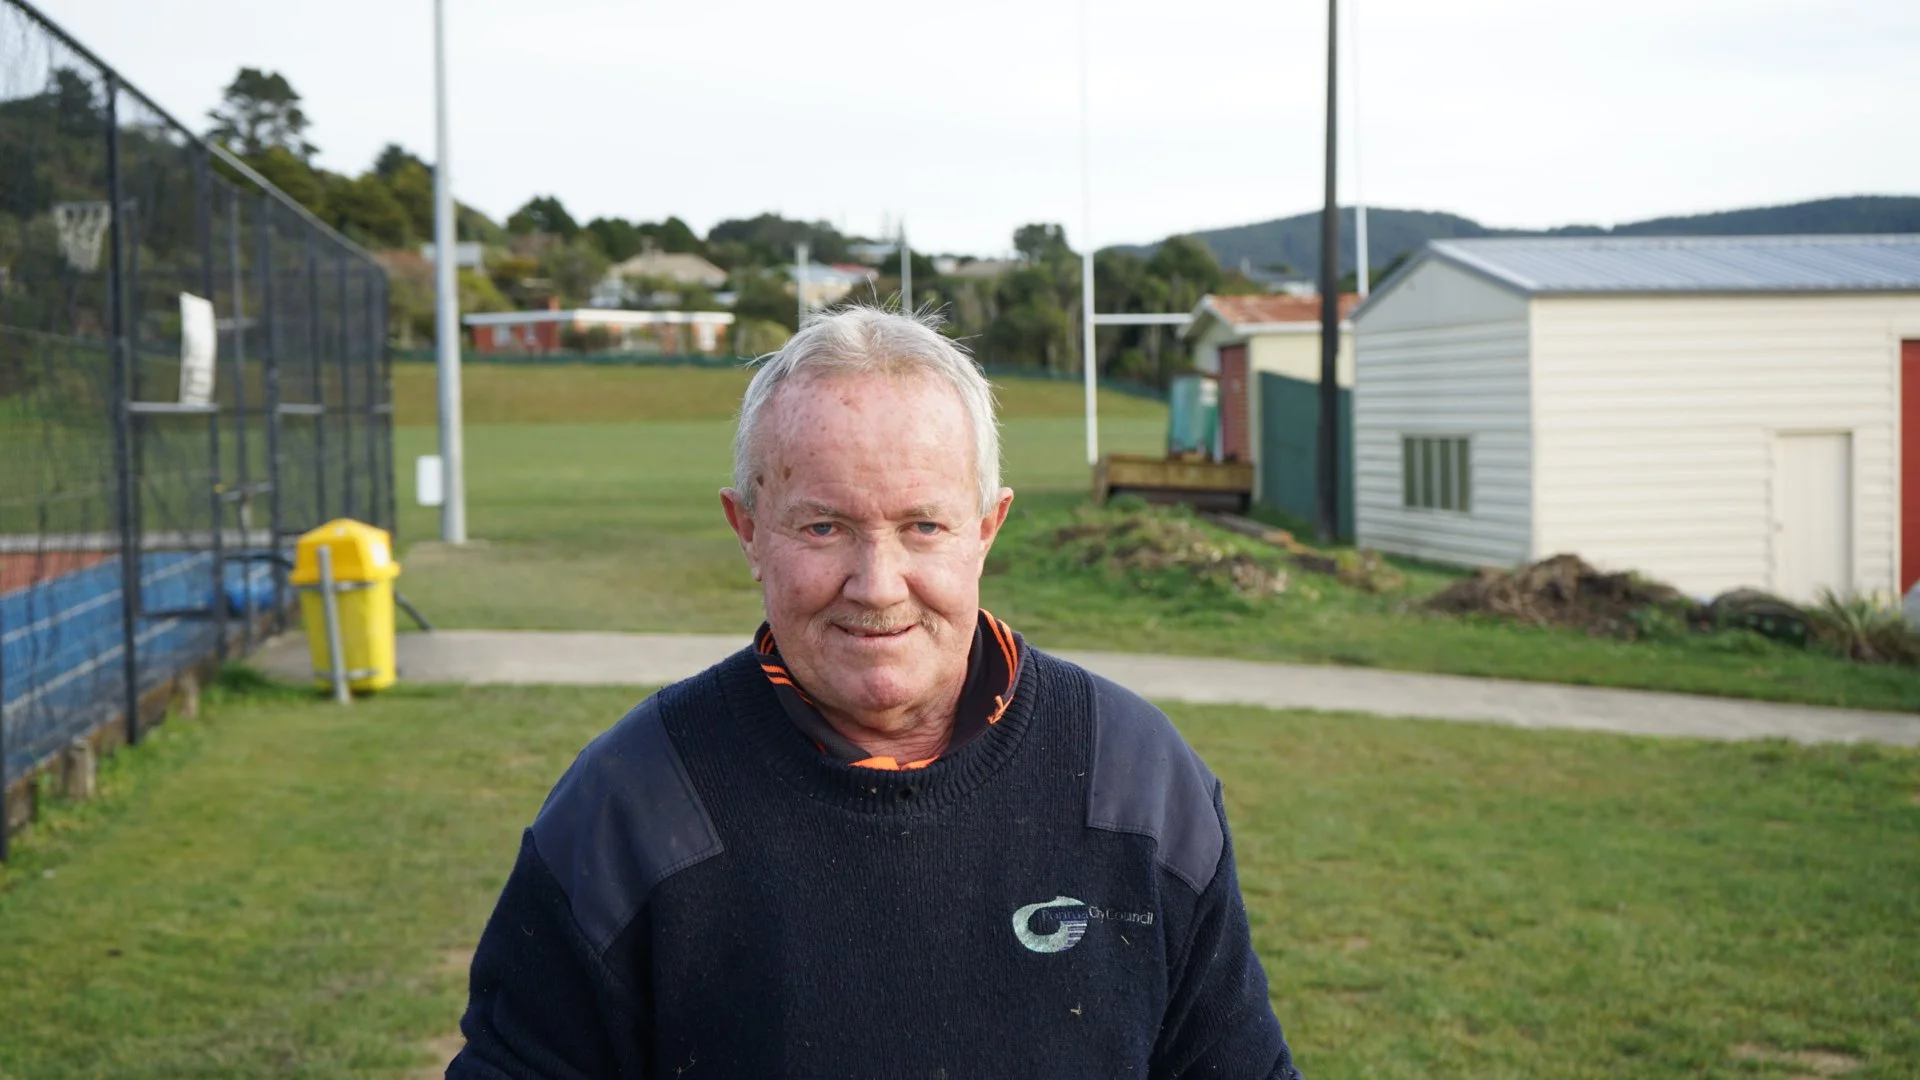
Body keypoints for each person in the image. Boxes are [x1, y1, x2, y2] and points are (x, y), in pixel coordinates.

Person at [450, 307, 1302, 1078]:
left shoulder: (1137, 780)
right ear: (747, 529)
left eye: (922, 526)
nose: (877, 583)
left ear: (987, 529)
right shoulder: (631, 808)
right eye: (825, 526)